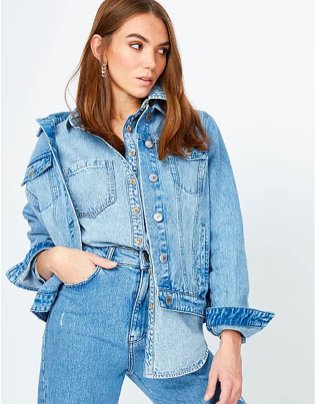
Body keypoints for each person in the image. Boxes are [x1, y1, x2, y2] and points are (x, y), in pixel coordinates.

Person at [6, 0, 275, 403]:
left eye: (161, 50)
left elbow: (226, 237)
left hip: (173, 326)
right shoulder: (57, 141)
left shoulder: (197, 134)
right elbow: (40, 241)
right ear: (100, 49)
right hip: (85, 317)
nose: (151, 62)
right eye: (136, 45)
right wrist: (56, 261)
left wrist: (230, 343)